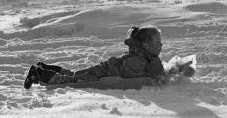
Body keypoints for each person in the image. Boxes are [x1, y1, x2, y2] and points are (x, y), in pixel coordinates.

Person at [24, 26, 192, 89]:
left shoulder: (149, 56)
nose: (161, 45)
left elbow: (158, 72)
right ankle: (39, 74)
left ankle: (45, 68)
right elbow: (130, 77)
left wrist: (178, 69)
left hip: (105, 69)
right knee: (75, 81)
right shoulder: (138, 60)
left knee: (76, 75)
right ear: (146, 46)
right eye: (158, 42)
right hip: (102, 73)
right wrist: (160, 79)